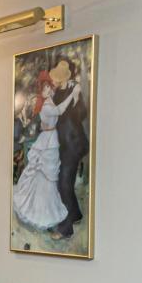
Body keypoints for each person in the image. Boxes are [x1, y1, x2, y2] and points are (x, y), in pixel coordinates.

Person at [12, 71, 69, 231]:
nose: (48, 90)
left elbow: (48, 119)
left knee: (48, 177)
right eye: (45, 88)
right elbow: (59, 111)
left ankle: (47, 208)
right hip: (48, 140)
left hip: (50, 139)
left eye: (49, 87)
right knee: (43, 176)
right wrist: (73, 95)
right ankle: (40, 212)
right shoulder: (45, 104)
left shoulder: (49, 100)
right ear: (42, 90)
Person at [48, 57, 89, 239]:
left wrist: (77, 97)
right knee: (62, 181)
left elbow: (82, 114)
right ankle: (75, 214)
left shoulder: (74, 90)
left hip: (74, 144)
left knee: (64, 182)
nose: (55, 80)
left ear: (64, 77)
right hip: (62, 144)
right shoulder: (57, 94)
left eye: (57, 78)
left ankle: (65, 229)